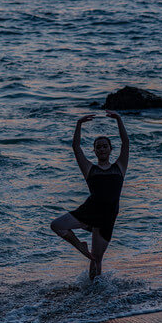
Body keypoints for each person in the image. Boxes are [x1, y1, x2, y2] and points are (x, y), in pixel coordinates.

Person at [51, 110, 129, 280]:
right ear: (94, 151)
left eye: (104, 146)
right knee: (56, 225)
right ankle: (80, 246)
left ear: (110, 149)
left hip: (107, 219)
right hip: (89, 212)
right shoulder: (89, 169)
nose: (101, 149)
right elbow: (76, 148)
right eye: (98, 147)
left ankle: (95, 292)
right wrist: (79, 124)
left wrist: (119, 119)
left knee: (96, 259)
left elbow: (126, 143)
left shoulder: (120, 167)